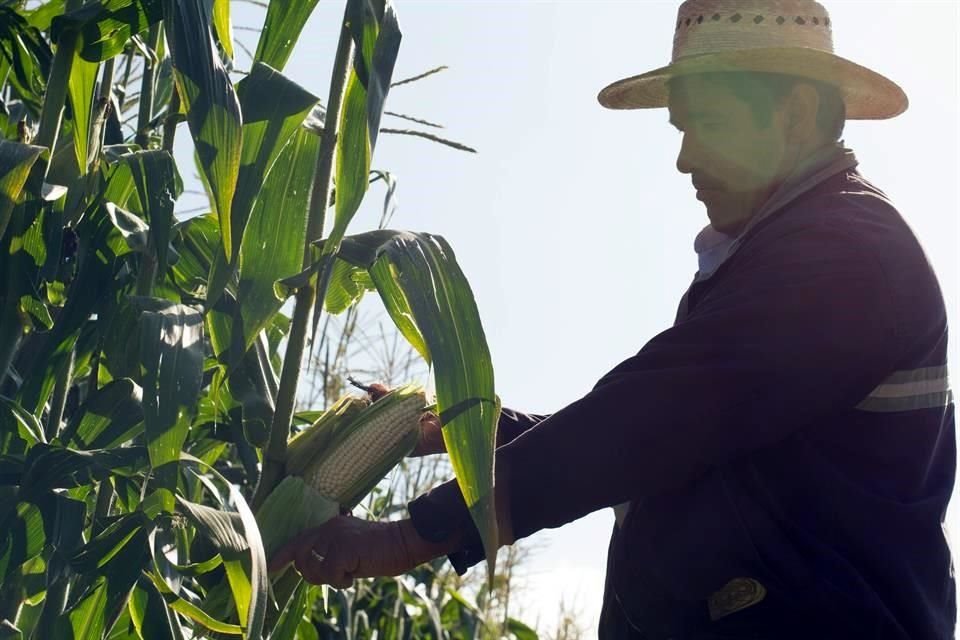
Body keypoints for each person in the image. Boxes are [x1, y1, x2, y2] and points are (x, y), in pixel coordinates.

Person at [270, 1, 956, 637]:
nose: (684, 158)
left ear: (797, 115)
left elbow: (654, 419)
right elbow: (674, 437)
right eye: (681, 130)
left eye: (708, 124)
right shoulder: (790, 252)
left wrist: (410, 535)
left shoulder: (848, 253)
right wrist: (472, 432)